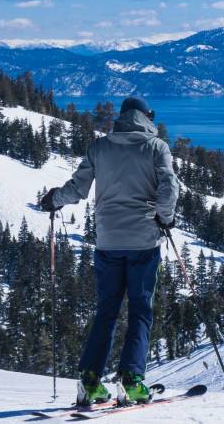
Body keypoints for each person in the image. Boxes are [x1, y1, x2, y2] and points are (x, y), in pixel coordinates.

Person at [41, 96, 178, 406]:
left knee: (107, 312)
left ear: (123, 117)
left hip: (107, 243)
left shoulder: (100, 147)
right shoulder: (156, 148)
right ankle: (131, 381)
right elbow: (169, 187)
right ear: (147, 117)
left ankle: (90, 381)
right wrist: (165, 218)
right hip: (143, 243)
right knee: (140, 311)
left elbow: (77, 188)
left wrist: (54, 200)